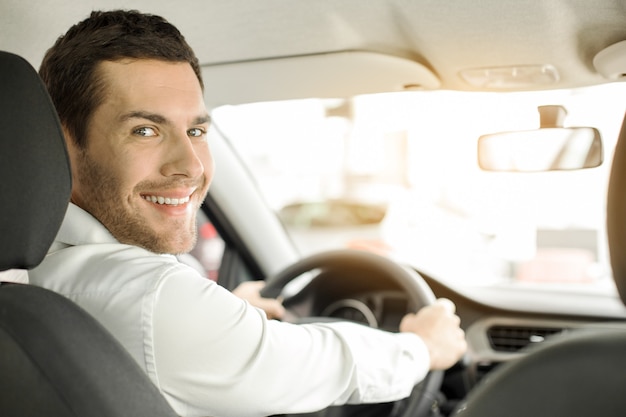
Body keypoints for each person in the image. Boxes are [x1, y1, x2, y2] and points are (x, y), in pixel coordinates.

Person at [30, 9, 466, 417]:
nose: (192, 165)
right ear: (63, 145)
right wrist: (421, 347)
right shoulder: (153, 297)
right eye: (145, 130)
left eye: (197, 130)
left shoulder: (34, 271)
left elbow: (154, 330)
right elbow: (317, 365)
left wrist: (224, 314)